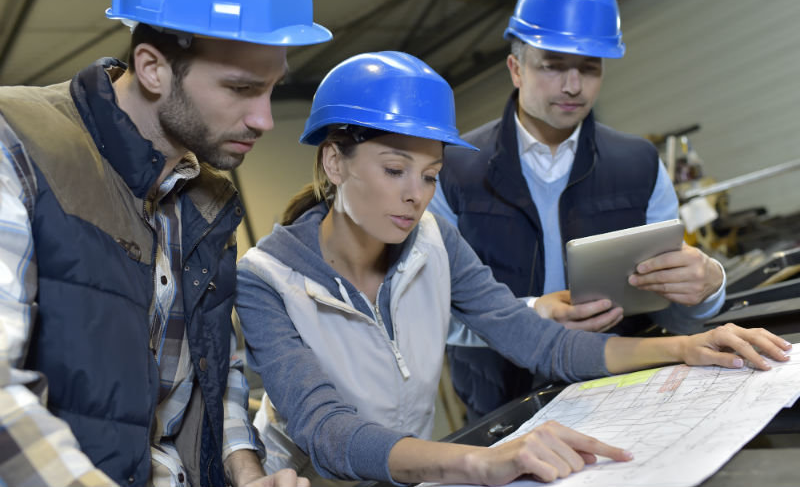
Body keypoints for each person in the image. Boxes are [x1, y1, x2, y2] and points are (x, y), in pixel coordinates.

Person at [234, 51, 788, 486]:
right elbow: (328, 432)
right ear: (335, 161)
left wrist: (683, 347)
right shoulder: (266, 279)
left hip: (419, 471)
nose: (415, 197)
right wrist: (479, 462)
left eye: (430, 176)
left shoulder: (432, 237)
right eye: (395, 169)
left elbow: (537, 341)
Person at [0, 0, 330, 485]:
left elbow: (215, 377)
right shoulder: (17, 144)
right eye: (242, 89)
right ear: (153, 67)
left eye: (272, 88)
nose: (265, 119)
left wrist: (246, 474)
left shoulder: (208, 199)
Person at [427, 0, 728, 421]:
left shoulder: (640, 165)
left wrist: (707, 288)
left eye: (589, 69)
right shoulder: (452, 169)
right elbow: (430, 312)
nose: (573, 86)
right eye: (552, 65)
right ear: (516, 68)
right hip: (502, 411)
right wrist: (530, 315)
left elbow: (674, 316)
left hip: (623, 396)